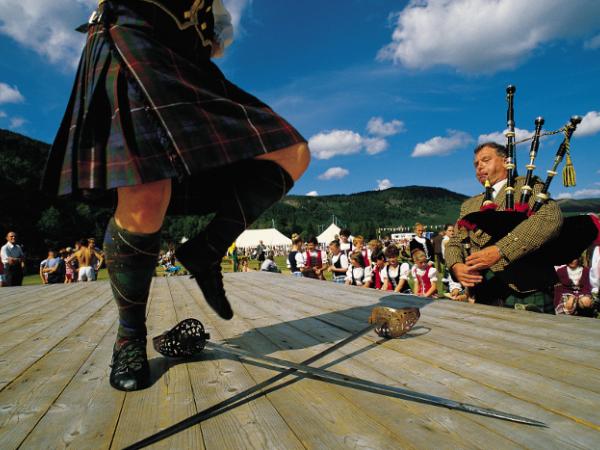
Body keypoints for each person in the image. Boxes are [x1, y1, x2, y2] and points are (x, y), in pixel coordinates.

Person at [42, 0, 309, 391]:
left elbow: (218, 33)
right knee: (147, 190)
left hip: (190, 61)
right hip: (135, 34)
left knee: (292, 152)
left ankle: (207, 249)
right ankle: (129, 337)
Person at [445, 142, 563, 313]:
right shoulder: (470, 205)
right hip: (484, 289)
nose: (479, 167)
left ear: (506, 161)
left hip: (525, 288)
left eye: (485, 160)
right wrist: (456, 265)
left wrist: (500, 250)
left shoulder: (526, 187)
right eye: (476, 164)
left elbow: (550, 217)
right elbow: (455, 241)